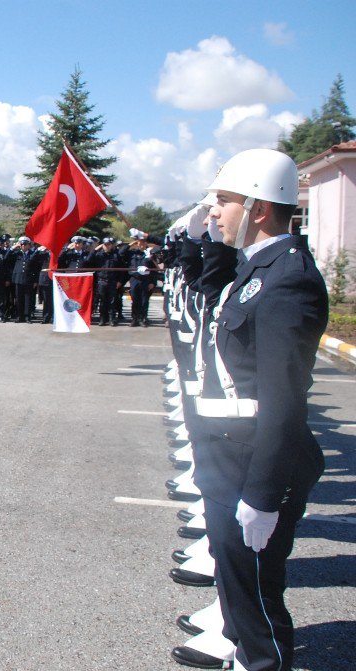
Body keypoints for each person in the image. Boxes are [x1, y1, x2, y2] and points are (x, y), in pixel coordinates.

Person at [170, 149, 329, 671]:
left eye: (224, 202)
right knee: (236, 583)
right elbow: (213, 286)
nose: (212, 211)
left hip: (253, 463)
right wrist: (206, 238)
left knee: (257, 598)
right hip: (228, 455)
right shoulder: (255, 266)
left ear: (259, 208)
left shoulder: (288, 280)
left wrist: (263, 493)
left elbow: (284, 399)